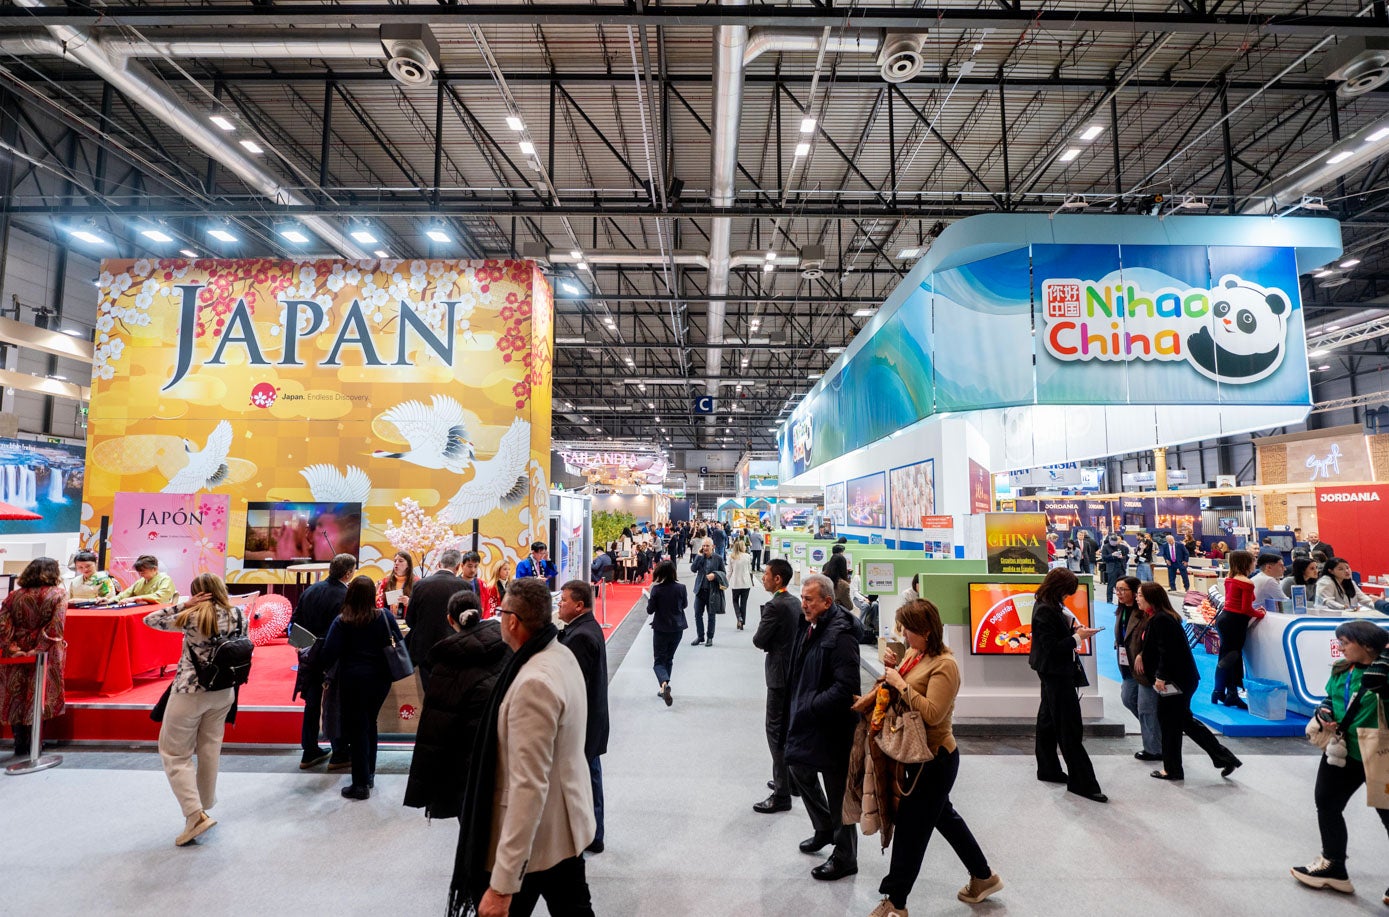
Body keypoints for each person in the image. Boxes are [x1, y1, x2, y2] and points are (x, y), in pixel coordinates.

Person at [449, 578, 595, 917]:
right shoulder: (560, 654)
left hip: (539, 840)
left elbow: (528, 786)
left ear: (512, 620)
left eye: (501, 612)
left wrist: (502, 885)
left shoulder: (532, 683)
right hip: (565, 827)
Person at [869, 599, 1003, 915]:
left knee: (911, 830)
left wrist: (901, 684)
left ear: (926, 631)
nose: (904, 636)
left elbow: (932, 713)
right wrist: (894, 668)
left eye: (908, 630)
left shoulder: (946, 665)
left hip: (934, 760)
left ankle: (895, 902)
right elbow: (905, 686)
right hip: (914, 757)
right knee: (944, 817)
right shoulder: (917, 653)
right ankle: (983, 877)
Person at [143, 573, 247, 845]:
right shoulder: (238, 614)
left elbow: (150, 620)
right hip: (225, 690)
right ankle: (204, 804)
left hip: (191, 691)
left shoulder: (192, 617)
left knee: (175, 753)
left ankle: (194, 815)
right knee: (210, 747)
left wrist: (186, 605)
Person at [1290, 619, 1389, 897]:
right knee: (1327, 803)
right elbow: (1330, 697)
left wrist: (1384, 656)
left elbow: (1378, 685)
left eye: (1346, 642)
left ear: (1367, 645)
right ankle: (1334, 867)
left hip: (1380, 751)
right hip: (1342, 749)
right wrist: (1325, 712)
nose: (1341, 647)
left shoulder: (1383, 673)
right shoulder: (1342, 668)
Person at [404, 590, 509, 820]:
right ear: (480, 612)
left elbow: (435, 728)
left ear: (450, 620)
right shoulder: (505, 648)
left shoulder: (446, 663)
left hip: (466, 760)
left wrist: (426, 788)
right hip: (507, 750)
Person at [786, 573, 861, 881]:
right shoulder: (812, 625)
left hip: (832, 726)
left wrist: (812, 704)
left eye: (809, 599)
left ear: (827, 602)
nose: (803, 604)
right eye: (803, 598)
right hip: (809, 720)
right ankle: (824, 828)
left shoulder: (840, 636)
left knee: (838, 790)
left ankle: (846, 857)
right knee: (798, 768)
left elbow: (847, 688)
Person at [1137, 583, 1242, 781]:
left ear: (1151, 597)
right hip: (1180, 679)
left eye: (1140, 595)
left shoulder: (1161, 619)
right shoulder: (1160, 617)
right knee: (1183, 721)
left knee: (1170, 724)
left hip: (1175, 681)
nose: (1137, 598)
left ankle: (1173, 769)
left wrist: (1161, 676)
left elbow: (1167, 651)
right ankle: (1225, 758)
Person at [319, 575, 406, 800]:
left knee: (357, 729)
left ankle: (360, 784)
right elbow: (397, 641)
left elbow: (329, 653)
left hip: (352, 680)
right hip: (380, 680)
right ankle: (369, 774)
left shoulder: (342, 620)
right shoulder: (384, 616)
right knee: (370, 724)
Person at [1029, 567, 1106, 803]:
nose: (1067, 597)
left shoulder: (1047, 605)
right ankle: (1082, 782)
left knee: (1048, 721)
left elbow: (1052, 639)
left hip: (1052, 671)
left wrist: (1073, 631)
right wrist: (1077, 637)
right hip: (1056, 673)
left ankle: (1048, 768)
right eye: (1066, 592)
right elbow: (1052, 647)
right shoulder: (1045, 609)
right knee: (1069, 727)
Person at [557, 579, 610, 855]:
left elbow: (572, 686)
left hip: (584, 724)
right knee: (590, 777)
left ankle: (592, 835)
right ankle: (593, 833)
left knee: (587, 780)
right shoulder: (585, 628)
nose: (560, 604)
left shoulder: (581, 636)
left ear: (579, 605)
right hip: (592, 721)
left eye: (563, 600)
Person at [291, 552, 356, 770]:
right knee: (335, 703)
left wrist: (304, 650)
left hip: (309, 653)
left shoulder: (310, 590)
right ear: (348, 573)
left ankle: (309, 751)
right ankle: (339, 752)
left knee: (312, 703)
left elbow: (294, 624)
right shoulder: (346, 595)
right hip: (333, 655)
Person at [0, 557, 66, 759]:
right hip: (45, 652)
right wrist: (39, 648)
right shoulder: (58, 594)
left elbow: (3, 625)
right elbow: (57, 626)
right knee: (41, 693)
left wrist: (13, 648)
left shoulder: (14, 595)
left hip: (17, 651)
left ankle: (19, 741)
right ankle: (36, 741)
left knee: (15, 694)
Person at [752, 558, 801, 815]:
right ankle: (790, 781)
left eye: (767, 574)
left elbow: (759, 640)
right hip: (793, 674)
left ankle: (781, 794)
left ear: (778, 579)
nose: (763, 578)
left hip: (779, 677)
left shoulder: (775, 606)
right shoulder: (794, 602)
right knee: (787, 729)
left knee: (775, 733)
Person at [406, 548, 471, 691]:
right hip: (454, 648)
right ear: (458, 566)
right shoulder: (464, 586)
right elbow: (470, 621)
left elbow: (410, 620)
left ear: (440, 564)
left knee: (429, 695)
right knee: (450, 695)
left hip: (425, 649)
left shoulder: (420, 585)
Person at [1113, 575, 1161, 762]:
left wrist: (1142, 653)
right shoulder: (1121, 611)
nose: (1119, 593)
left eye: (1123, 590)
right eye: (1117, 589)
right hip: (1128, 666)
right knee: (1129, 698)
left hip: (1144, 668)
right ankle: (1156, 735)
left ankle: (1154, 748)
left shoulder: (1145, 613)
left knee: (1146, 708)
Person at [1214, 550, 1264, 709]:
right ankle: (1227, 693)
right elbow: (1245, 610)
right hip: (1235, 622)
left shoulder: (1230, 579)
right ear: (1246, 562)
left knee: (1227, 656)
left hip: (1225, 619)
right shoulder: (1246, 582)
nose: (1255, 563)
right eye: (1253, 560)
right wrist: (1260, 614)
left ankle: (1224, 692)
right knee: (1232, 657)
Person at [646, 560, 687, 705]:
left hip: (661, 628)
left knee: (658, 661)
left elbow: (650, 610)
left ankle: (663, 684)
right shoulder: (681, 588)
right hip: (677, 628)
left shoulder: (656, 590)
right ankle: (665, 686)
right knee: (669, 658)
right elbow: (685, 605)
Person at [690, 539, 725, 647]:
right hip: (700, 591)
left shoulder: (718, 558)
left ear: (712, 546)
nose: (705, 548)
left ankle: (710, 637)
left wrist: (714, 575)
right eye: (703, 546)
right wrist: (698, 556)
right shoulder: (700, 557)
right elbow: (693, 569)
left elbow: (723, 573)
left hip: (712, 591)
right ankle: (700, 636)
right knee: (697, 614)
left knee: (711, 615)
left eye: (707, 546)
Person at [1316, 558, 1381, 614]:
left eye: (1347, 568)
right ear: (1331, 571)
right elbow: (1327, 601)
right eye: (1341, 569)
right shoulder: (1325, 582)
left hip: (1348, 615)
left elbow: (1363, 598)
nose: (1347, 571)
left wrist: (1379, 605)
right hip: (1330, 617)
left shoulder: (1350, 582)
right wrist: (1344, 607)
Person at [112, 554, 177, 605]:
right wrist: (111, 600)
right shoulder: (141, 581)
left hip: (158, 612)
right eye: (139, 572)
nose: (140, 574)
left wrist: (136, 598)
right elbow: (126, 593)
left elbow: (160, 597)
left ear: (154, 569)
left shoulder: (165, 579)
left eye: (143, 572)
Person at [375, 551, 414, 618]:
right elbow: (378, 603)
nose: (396, 563)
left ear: (408, 565)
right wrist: (375, 592)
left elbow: (421, 605)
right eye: (395, 561)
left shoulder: (416, 582)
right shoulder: (385, 581)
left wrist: (409, 602)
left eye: (400, 561)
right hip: (388, 621)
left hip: (407, 622)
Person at [728, 538, 753, 630]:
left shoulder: (732, 557)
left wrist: (726, 582)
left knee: (735, 601)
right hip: (746, 583)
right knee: (743, 603)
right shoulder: (747, 556)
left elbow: (729, 571)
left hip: (736, 583)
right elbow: (750, 569)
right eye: (744, 546)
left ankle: (739, 617)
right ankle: (742, 623)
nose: (746, 547)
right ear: (742, 547)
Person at [1100, 535, 1130, 603]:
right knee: (1111, 585)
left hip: (1121, 567)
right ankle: (1109, 601)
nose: (1114, 543)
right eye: (1113, 542)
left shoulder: (1122, 547)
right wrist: (1112, 555)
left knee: (1122, 585)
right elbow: (1104, 558)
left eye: (1115, 542)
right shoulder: (1105, 547)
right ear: (1110, 541)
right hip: (1112, 568)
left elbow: (1127, 556)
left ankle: (1122, 600)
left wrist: (1122, 557)